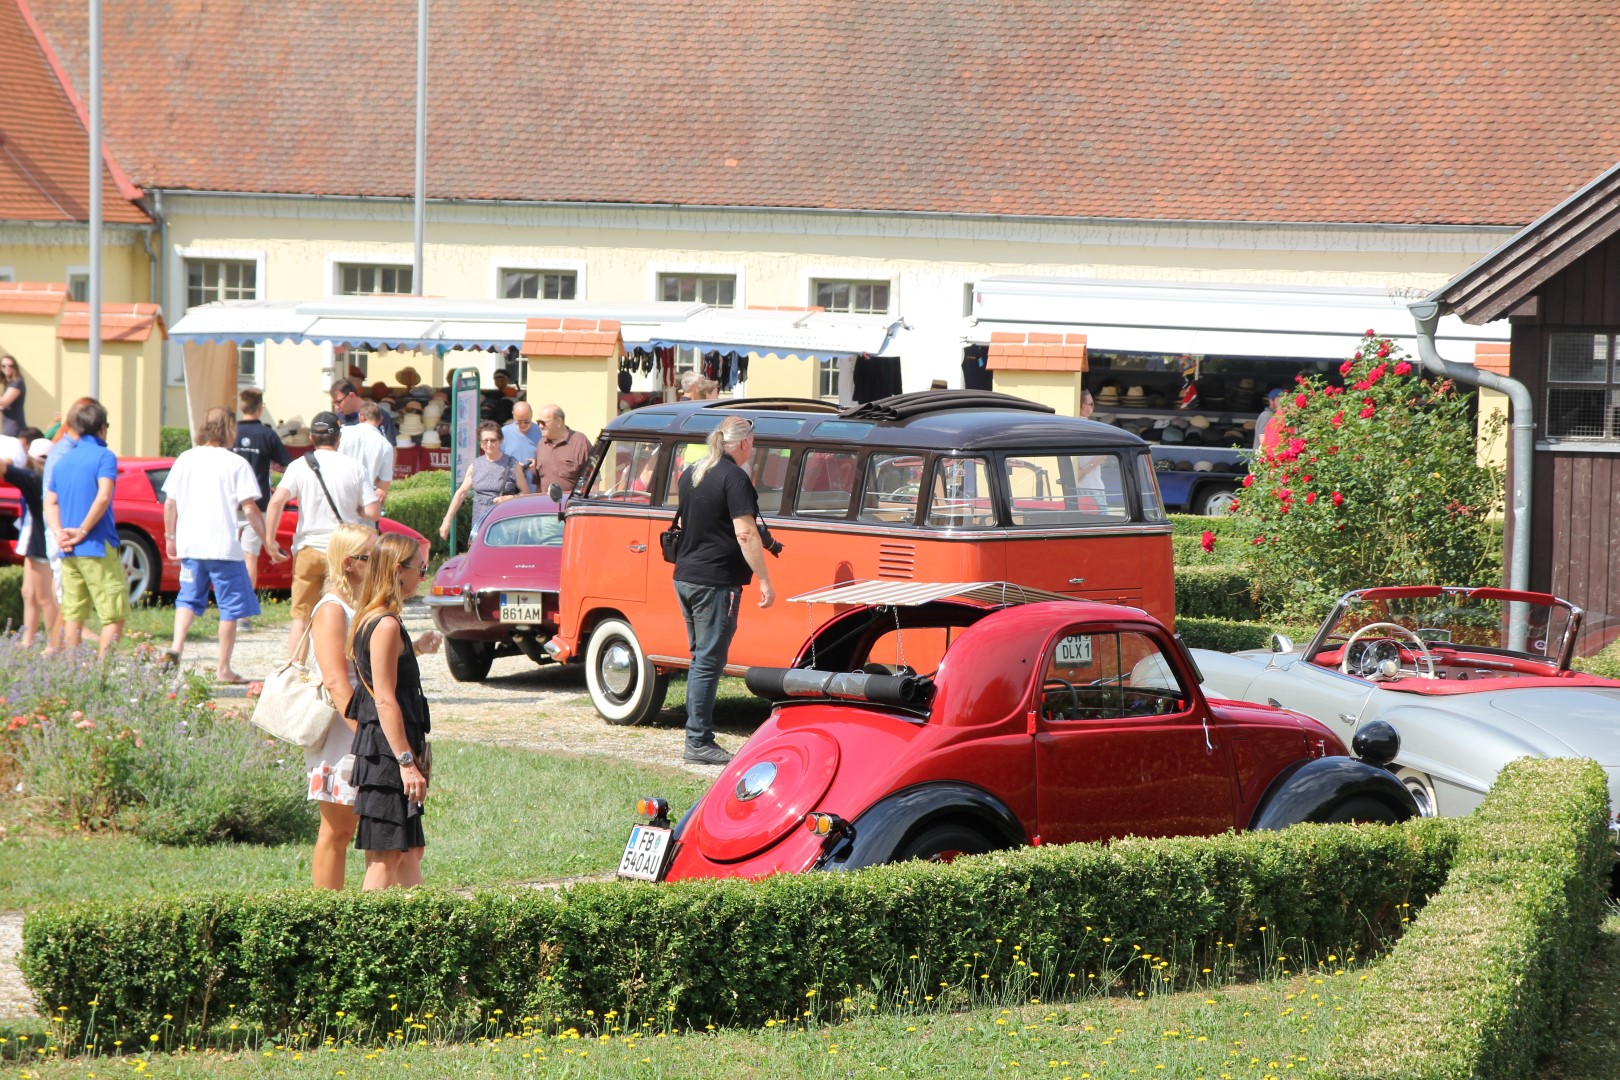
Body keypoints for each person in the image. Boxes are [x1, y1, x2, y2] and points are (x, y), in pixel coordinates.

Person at [671, 415, 775, 765]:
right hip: (715, 581)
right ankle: (698, 740)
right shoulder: (734, 477)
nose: (754, 449)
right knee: (708, 662)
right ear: (744, 443)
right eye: (754, 442)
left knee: (700, 658)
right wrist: (764, 579)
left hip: (685, 576)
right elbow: (745, 534)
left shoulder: (693, 472)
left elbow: (691, 522)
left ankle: (696, 736)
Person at [347, 532, 439, 890]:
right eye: (421, 568)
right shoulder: (384, 623)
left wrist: (413, 648)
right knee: (384, 857)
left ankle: (421, 931)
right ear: (399, 571)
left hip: (388, 750)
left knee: (410, 850)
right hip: (387, 756)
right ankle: (362, 939)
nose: (424, 575)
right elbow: (384, 699)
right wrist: (406, 764)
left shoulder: (379, 619)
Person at [160, 407, 267, 683]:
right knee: (230, 607)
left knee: (187, 598)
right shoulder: (235, 463)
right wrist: (267, 538)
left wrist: (171, 538)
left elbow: (170, 504)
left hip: (190, 544)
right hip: (223, 547)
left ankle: (176, 646)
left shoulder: (185, 458)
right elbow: (250, 508)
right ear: (229, 429)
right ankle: (223, 669)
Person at [265, 411, 380, 661]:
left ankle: (297, 669)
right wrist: (359, 510)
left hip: (309, 549)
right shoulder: (354, 467)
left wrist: (270, 540)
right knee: (347, 613)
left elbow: (276, 502)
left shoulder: (299, 466)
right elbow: (373, 511)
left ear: (310, 437)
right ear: (338, 438)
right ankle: (346, 669)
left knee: (301, 617)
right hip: (344, 552)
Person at [304, 523, 377, 890]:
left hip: (358, 724)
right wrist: (365, 735)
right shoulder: (332, 608)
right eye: (371, 557)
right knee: (338, 828)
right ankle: (325, 911)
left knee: (352, 826)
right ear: (349, 563)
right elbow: (335, 681)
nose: (379, 563)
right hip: (343, 729)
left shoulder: (358, 604)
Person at [44, 400, 128, 658]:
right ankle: (103, 673)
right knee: (114, 612)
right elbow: (103, 496)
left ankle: (72, 671)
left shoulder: (62, 460)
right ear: (102, 427)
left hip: (68, 549)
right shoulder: (104, 456)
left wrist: (60, 532)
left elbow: (50, 501)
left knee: (73, 611)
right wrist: (82, 530)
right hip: (96, 544)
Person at [231, 387, 291, 591]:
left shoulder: (230, 432)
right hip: (257, 505)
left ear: (241, 407)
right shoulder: (267, 434)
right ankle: (243, 616)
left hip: (229, 502)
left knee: (227, 556)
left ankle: (227, 605)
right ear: (260, 408)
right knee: (250, 556)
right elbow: (286, 464)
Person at [6, 435, 59, 651]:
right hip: (34, 541)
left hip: (39, 544)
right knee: (29, 593)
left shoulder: (34, 478)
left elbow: (5, 469)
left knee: (45, 597)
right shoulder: (42, 478)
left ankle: (54, 644)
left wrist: (11, 457)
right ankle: (28, 641)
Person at [441, 420, 530, 539]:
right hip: (480, 526)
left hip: (505, 525)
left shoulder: (512, 464)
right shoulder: (476, 465)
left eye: (493, 440)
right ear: (480, 443)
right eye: (485, 441)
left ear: (500, 441)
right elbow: (461, 493)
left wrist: (510, 498)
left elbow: (526, 493)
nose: (489, 444)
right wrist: (447, 520)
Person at [338, 400, 396, 502]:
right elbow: (384, 483)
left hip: (339, 494)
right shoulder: (386, 446)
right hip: (365, 500)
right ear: (381, 419)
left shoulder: (343, 433)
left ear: (361, 417)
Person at [532, 404, 592, 494]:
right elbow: (538, 483)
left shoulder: (579, 441)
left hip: (570, 505)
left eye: (543, 422)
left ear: (558, 422)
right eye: (538, 422)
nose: (540, 426)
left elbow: (593, 479)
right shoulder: (541, 444)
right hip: (546, 504)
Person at [331, 379, 398, 444]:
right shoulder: (338, 417)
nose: (337, 407)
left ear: (351, 395)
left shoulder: (377, 414)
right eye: (334, 403)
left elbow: (391, 449)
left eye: (339, 402)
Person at [0, 354, 27, 437]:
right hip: (8, 424)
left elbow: (5, 402)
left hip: (14, 426)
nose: (7, 368)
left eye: (10, 366)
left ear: (15, 367)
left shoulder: (17, 382)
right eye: (4, 366)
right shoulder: (8, 383)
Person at [1254, 388, 1285, 452]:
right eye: (1279, 400)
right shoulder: (1267, 415)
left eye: (1284, 400)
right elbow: (1263, 441)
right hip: (1263, 459)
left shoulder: (1275, 415)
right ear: (1271, 401)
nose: (1283, 403)